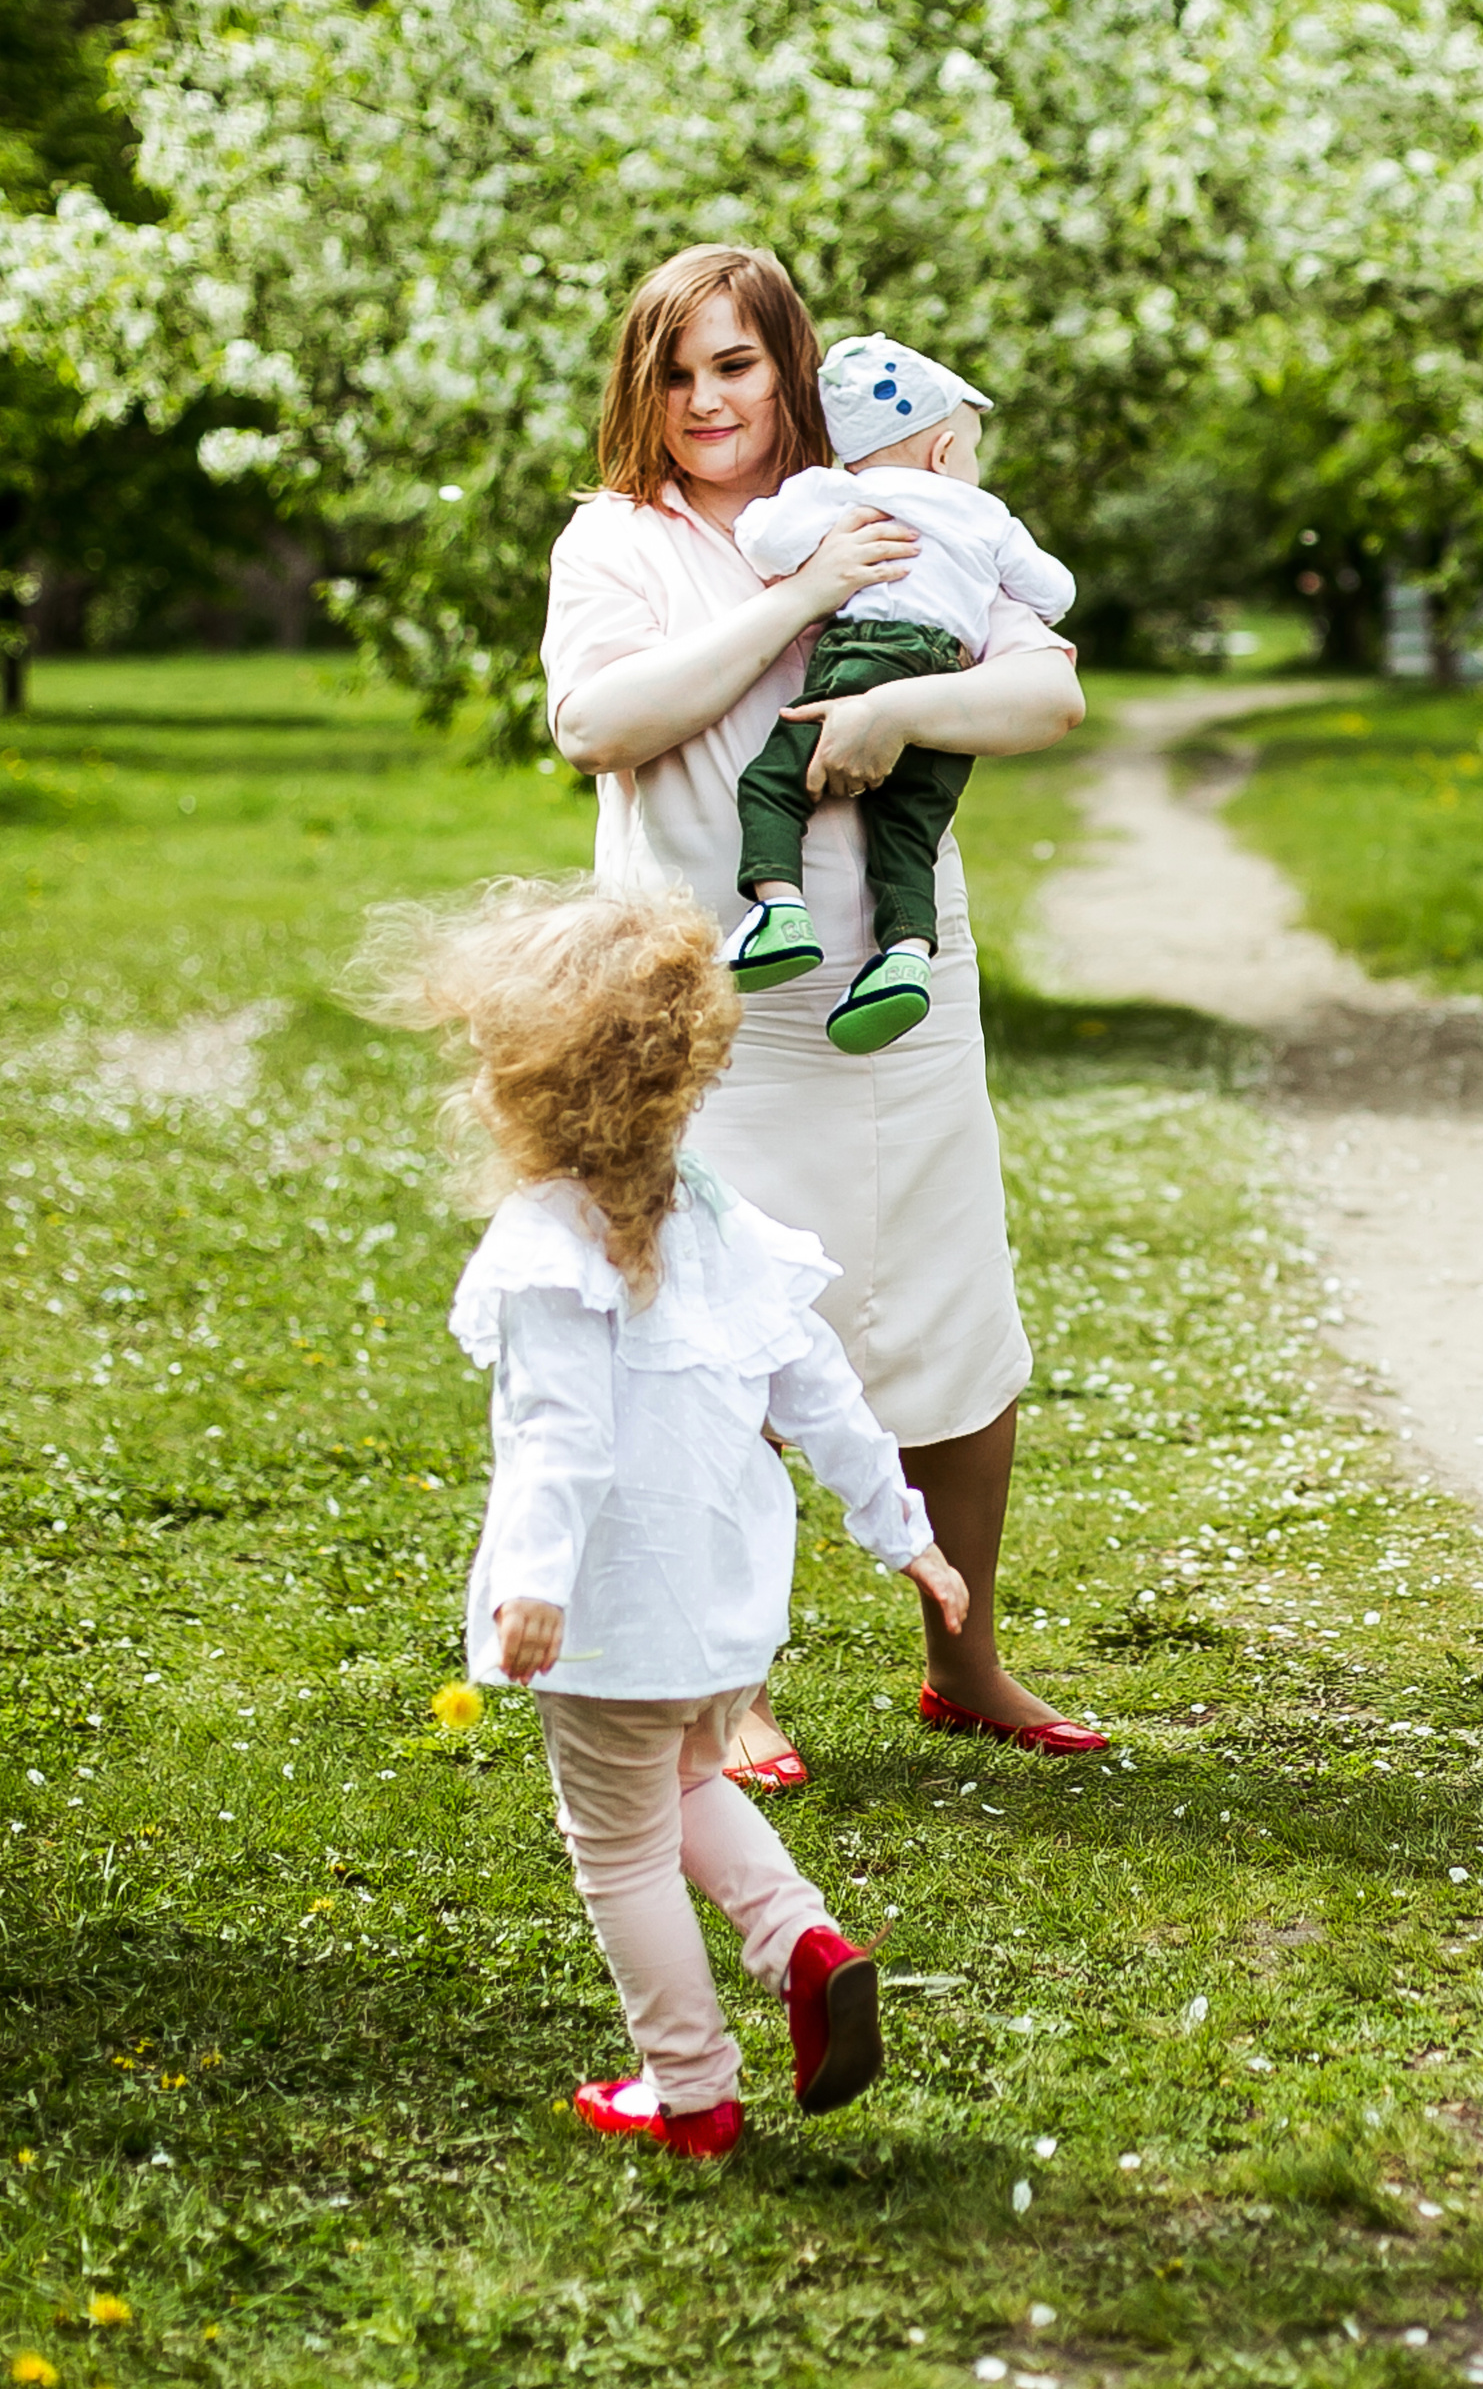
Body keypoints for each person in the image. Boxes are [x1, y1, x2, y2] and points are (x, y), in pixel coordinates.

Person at [541, 241, 1107, 1785]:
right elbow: (598, 724)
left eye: (736, 365)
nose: (707, 399)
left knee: (952, 1320)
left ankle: (966, 1656)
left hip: (897, 992)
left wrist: (893, 709)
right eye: (676, 372)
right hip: (711, 1006)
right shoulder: (621, 542)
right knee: (720, 1347)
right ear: (640, 394)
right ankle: (733, 1686)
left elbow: (1045, 693)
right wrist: (795, 597)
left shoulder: (893, 500)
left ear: (790, 368)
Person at [361, 877, 972, 2160]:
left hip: (611, 1616)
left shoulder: (545, 1242)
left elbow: (560, 1439)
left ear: (524, 1081)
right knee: (689, 1775)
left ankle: (688, 2087)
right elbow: (818, 1381)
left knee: (617, 1845)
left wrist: (533, 1582)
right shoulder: (710, 1209)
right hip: (722, 1604)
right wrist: (900, 1527)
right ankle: (802, 1938)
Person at [722, 332, 1075, 1056]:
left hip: (865, 661)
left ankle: (780, 914)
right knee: (908, 833)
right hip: (949, 686)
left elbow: (761, 541)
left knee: (773, 784)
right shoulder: (988, 518)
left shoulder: (843, 492)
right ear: (945, 452)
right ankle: (906, 959)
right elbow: (1055, 592)